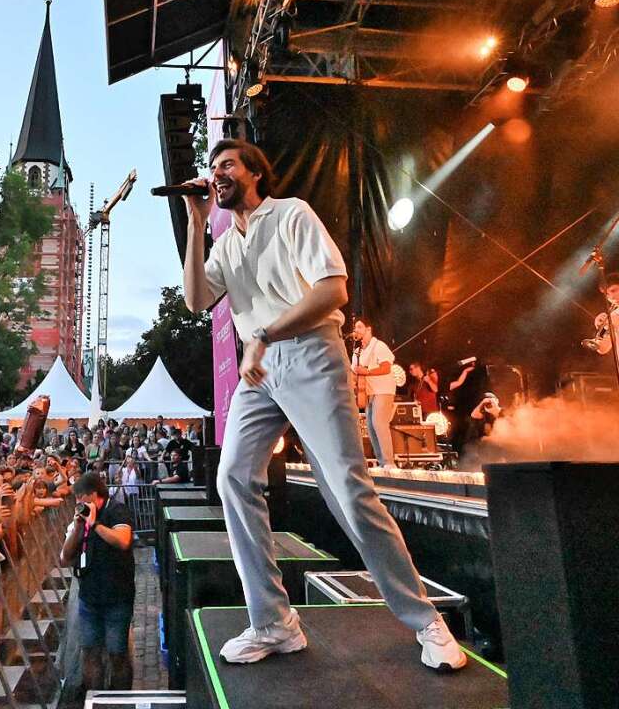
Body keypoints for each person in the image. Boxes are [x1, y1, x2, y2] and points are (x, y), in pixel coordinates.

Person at [180, 138, 465, 670]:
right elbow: (197, 300)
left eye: (226, 165)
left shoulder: (291, 215)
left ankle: (426, 619)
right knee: (233, 478)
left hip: (310, 354)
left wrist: (265, 332)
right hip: (259, 370)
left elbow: (332, 290)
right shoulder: (224, 241)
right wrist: (197, 223)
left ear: (255, 174)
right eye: (211, 167)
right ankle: (273, 624)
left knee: (348, 493)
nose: (216, 173)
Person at [60, 473, 135, 690]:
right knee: (90, 652)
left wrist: (95, 525)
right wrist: (77, 528)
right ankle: (94, 698)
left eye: (80, 498)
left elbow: (123, 540)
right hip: (89, 599)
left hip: (117, 597)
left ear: (93, 495)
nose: (77, 504)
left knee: (117, 653)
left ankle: (120, 702)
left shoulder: (117, 510)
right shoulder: (80, 520)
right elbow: (65, 558)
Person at [349, 319, 398, 468]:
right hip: (368, 392)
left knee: (379, 423)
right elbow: (353, 372)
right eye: (355, 327)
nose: (356, 330)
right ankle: (382, 462)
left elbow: (386, 368)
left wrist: (368, 371)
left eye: (359, 327)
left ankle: (389, 463)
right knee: (370, 426)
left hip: (384, 390)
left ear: (368, 329)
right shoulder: (357, 352)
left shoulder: (379, 346)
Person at [582, 273, 619, 355]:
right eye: (607, 294)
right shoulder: (613, 315)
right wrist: (601, 329)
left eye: (613, 291)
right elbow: (603, 349)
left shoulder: (614, 318)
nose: (611, 297)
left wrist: (615, 322)